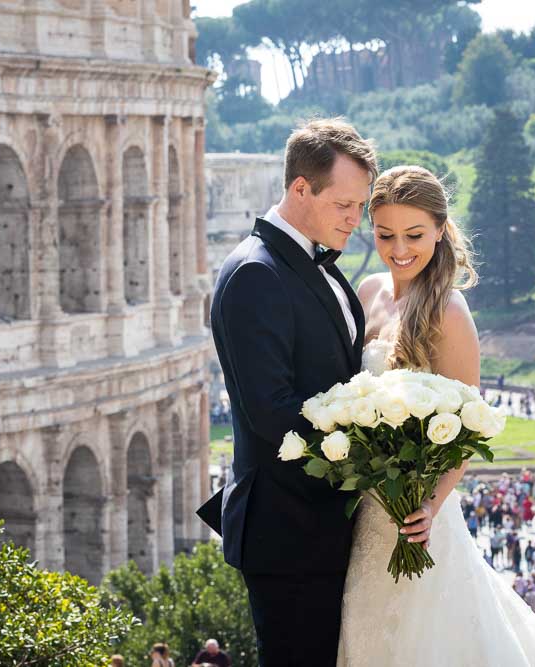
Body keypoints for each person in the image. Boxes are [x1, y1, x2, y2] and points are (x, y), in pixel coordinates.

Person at [336, 165, 535, 666]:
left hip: (419, 518)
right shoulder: (367, 293)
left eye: (414, 235)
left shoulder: (449, 311)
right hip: (365, 511)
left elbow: (466, 431)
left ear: (441, 230)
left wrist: (431, 506)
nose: (399, 248)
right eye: (385, 234)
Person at [197, 118, 379, 665]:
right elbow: (272, 413)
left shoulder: (308, 261)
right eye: (345, 204)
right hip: (290, 533)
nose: (356, 219)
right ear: (301, 188)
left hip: (326, 527)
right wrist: (372, 466)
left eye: (361, 206)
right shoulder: (256, 273)